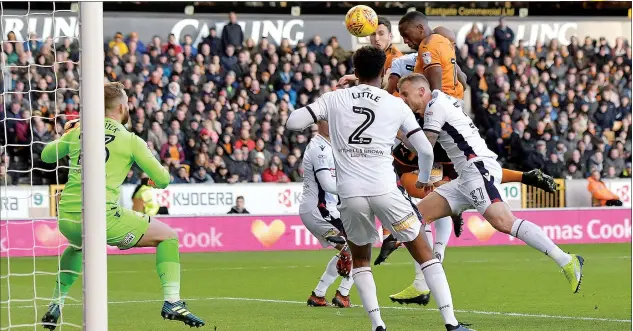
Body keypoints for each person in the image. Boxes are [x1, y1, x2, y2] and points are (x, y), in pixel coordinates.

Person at [287, 46, 471, 331]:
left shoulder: (334, 99)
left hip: (350, 195)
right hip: (385, 190)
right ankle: (451, 322)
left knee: (361, 261)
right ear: (384, 72)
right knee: (424, 253)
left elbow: (293, 122)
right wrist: (423, 179)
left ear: (355, 71)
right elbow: (424, 149)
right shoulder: (395, 103)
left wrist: (326, 109)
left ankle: (377, 325)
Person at [397, 73, 584, 296]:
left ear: (421, 91)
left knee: (504, 221)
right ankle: (423, 282)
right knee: (415, 218)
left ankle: (567, 260)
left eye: (405, 94)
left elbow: (425, 147)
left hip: (476, 168)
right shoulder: (440, 100)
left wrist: (400, 135)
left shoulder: (435, 107)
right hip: (466, 176)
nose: (403, 99)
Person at [39, 82, 204, 329]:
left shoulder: (79, 132)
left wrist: (67, 133)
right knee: (168, 237)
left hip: (67, 217)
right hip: (101, 218)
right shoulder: (130, 140)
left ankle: (56, 303)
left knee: (77, 246)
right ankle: (172, 301)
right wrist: (152, 179)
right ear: (123, 107)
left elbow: (46, 156)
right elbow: (163, 180)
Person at [300, 120, 354, 309]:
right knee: (355, 248)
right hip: (318, 210)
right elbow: (327, 184)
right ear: (322, 123)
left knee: (357, 248)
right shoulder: (318, 148)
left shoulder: (336, 145)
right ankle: (341, 294)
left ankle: (321, 295)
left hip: (331, 210)